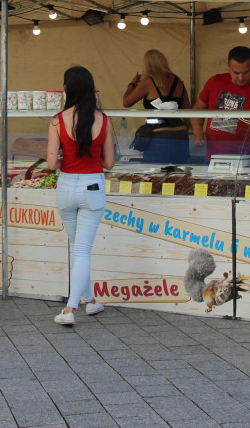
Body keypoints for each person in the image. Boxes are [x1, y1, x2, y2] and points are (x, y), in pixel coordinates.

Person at [47, 66, 114, 326]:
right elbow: (109, 163)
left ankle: (89, 302)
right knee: (82, 251)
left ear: (66, 90)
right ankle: (71, 309)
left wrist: (67, 157)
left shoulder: (56, 120)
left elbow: (51, 163)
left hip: (66, 187)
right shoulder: (104, 120)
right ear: (91, 89)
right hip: (92, 188)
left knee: (78, 249)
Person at [191, 46, 250, 167]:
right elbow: (198, 109)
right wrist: (197, 131)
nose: (241, 78)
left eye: (246, 72)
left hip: (244, 160)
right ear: (228, 66)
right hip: (212, 158)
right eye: (236, 73)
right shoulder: (215, 82)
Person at [123, 49, 191, 164]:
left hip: (160, 136)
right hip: (181, 135)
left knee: (155, 176)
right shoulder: (178, 81)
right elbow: (188, 112)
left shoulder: (148, 82)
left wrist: (132, 84)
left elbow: (126, 102)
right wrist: (183, 131)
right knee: (179, 176)